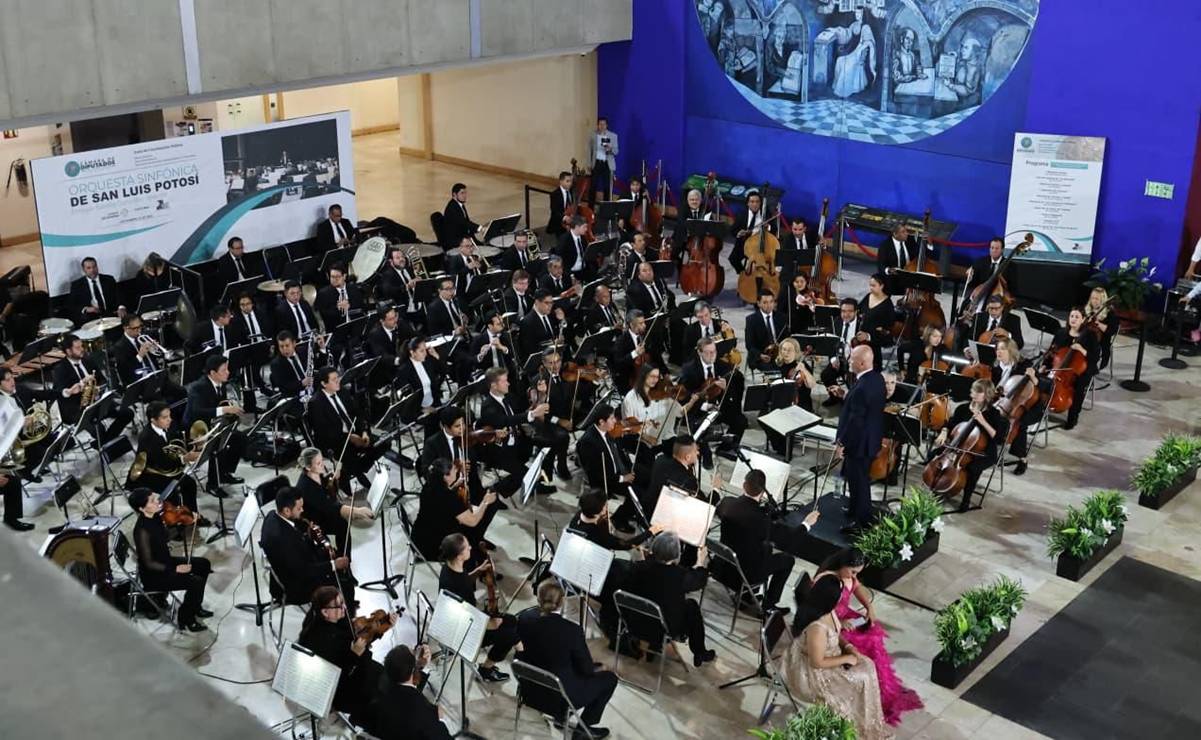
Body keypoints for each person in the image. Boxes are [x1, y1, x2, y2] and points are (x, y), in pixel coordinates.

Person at [803, 549, 923, 726]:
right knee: (868, 642)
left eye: (857, 573)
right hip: (832, 621)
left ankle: (882, 690)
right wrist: (839, 622)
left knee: (874, 633)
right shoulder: (826, 580)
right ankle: (869, 689)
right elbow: (818, 607)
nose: (854, 576)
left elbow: (856, 588)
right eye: (852, 572)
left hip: (846, 616)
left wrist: (869, 607)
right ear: (843, 565)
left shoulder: (848, 576)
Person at [784, 574, 889, 740]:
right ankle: (853, 728)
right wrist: (846, 659)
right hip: (813, 674)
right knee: (862, 677)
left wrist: (848, 646)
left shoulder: (827, 609)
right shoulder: (816, 628)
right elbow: (816, 662)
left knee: (868, 664)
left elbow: (835, 633)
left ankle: (868, 724)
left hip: (830, 658)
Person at [516, 581, 618, 738]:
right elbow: (586, 669)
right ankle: (582, 730)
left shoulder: (524, 618)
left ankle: (562, 717)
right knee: (610, 679)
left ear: (538, 599)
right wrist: (600, 667)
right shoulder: (572, 630)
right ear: (562, 602)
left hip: (529, 689)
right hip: (560, 697)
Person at [297, 586, 391, 725]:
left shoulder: (321, 618)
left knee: (383, 673)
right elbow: (339, 674)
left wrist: (380, 629)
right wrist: (354, 655)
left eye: (343, 602)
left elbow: (358, 636)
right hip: (339, 690)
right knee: (381, 688)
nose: (345, 607)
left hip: (350, 668)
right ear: (325, 612)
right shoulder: (326, 641)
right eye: (339, 605)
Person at [715, 469, 801, 612]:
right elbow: (787, 539)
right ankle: (769, 606)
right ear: (762, 492)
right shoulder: (760, 519)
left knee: (765, 547)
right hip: (743, 575)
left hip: (722, 567)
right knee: (787, 560)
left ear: (744, 485)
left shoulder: (727, 503)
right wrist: (806, 525)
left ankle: (747, 596)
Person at [624, 532, 715, 667]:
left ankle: (654, 646)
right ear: (676, 554)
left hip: (634, 622)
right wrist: (700, 563)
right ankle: (699, 651)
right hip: (663, 627)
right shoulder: (680, 576)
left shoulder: (637, 567)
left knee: (657, 599)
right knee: (691, 606)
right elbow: (699, 580)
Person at [437, 533, 520, 682]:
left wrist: (480, 570)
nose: (470, 547)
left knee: (511, 620)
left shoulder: (449, 568)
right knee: (509, 635)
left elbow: (464, 580)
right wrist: (489, 624)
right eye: (467, 547)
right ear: (460, 555)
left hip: (467, 616)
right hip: (463, 631)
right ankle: (486, 670)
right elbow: (464, 617)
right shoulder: (456, 585)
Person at [128, 488, 213, 632]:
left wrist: (184, 523)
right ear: (142, 508)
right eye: (152, 501)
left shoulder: (154, 517)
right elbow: (149, 563)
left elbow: (165, 536)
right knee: (195, 582)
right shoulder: (141, 531)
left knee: (204, 564)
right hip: (155, 575)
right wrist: (174, 569)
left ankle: (195, 606)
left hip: (165, 562)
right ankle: (186, 618)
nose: (158, 501)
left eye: (155, 497)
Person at [260, 487, 356, 607]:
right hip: (296, 586)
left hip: (294, 565)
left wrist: (308, 535)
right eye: (299, 508)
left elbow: (296, 545)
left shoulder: (272, 516)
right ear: (286, 511)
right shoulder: (282, 539)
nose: (302, 510)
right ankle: (347, 617)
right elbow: (304, 571)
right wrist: (333, 565)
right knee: (344, 580)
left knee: (331, 554)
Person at [930, 378, 1004, 511]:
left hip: (983, 452)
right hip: (958, 446)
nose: (974, 394)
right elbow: (950, 424)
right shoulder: (963, 408)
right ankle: (939, 487)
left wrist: (983, 422)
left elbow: (998, 438)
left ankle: (966, 499)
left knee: (972, 468)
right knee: (934, 455)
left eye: (979, 392)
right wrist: (944, 432)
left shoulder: (994, 414)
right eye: (974, 390)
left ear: (987, 394)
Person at [834, 345, 885, 533]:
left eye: (852, 358)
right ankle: (855, 508)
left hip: (859, 443)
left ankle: (861, 521)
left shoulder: (863, 386)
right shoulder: (876, 378)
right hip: (870, 439)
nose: (849, 361)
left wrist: (842, 443)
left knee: (859, 481)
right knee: (856, 478)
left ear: (862, 363)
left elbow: (856, 420)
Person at [52, 333, 134, 446]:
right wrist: (76, 387)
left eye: (82, 346)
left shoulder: (88, 360)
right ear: (68, 351)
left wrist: (98, 388)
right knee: (98, 430)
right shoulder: (60, 370)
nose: (82, 349)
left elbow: (102, 380)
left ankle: (100, 444)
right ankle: (103, 443)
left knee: (128, 413)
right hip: (77, 409)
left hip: (96, 402)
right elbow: (61, 393)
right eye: (78, 348)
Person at [131, 401, 206, 522]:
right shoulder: (147, 437)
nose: (169, 420)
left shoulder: (167, 426)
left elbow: (176, 442)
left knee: (189, 483)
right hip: (151, 473)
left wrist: (194, 443)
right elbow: (161, 462)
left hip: (167, 468)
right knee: (172, 493)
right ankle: (175, 523)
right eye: (164, 417)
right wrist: (185, 458)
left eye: (169, 416)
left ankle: (192, 516)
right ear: (153, 420)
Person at [307, 366, 379, 492]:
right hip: (335, 441)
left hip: (354, 433)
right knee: (350, 458)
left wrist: (363, 431)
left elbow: (357, 413)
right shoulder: (316, 403)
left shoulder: (342, 391)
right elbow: (324, 433)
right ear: (324, 384)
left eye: (338, 378)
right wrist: (350, 438)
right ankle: (358, 474)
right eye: (334, 380)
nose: (338, 381)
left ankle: (358, 469)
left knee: (383, 443)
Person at [413, 458, 499, 560]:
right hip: (434, 546)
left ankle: (477, 546)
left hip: (420, 537)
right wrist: (485, 501)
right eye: (454, 470)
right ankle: (476, 558)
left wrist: (453, 485)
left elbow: (442, 503)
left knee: (471, 529)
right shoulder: (448, 498)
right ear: (446, 476)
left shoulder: (429, 486)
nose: (457, 471)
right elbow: (473, 521)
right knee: (475, 528)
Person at [679, 337, 747, 465]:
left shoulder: (724, 366)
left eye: (714, 351)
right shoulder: (689, 369)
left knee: (741, 421)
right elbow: (685, 396)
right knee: (698, 426)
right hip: (699, 409)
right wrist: (705, 406)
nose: (712, 355)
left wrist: (725, 388)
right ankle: (706, 454)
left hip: (720, 407)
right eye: (708, 352)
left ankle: (724, 448)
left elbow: (734, 394)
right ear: (699, 352)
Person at [295, 447, 373, 557]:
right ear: (308, 467)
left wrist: (335, 478)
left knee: (342, 525)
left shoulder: (317, 474)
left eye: (322, 461)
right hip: (312, 522)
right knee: (341, 523)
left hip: (321, 512)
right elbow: (331, 506)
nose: (323, 465)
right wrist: (357, 511)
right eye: (318, 463)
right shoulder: (306, 486)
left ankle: (345, 558)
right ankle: (339, 562)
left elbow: (328, 492)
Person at [183, 354, 246, 489]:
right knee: (217, 445)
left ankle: (224, 473)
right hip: (196, 429)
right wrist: (224, 410)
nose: (228, 372)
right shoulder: (198, 387)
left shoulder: (220, 383)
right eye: (224, 370)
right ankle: (212, 484)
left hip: (212, 424)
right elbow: (197, 412)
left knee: (240, 438)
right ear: (212, 373)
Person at [576, 404, 641, 532]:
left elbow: (616, 453)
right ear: (601, 422)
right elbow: (597, 473)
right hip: (607, 480)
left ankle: (632, 510)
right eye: (611, 418)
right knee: (638, 493)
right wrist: (623, 478)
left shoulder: (606, 432)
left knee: (646, 477)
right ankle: (619, 518)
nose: (615, 421)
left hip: (619, 470)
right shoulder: (589, 442)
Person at [372, 644, 450, 739]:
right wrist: (441, 720)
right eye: (414, 653)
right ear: (413, 669)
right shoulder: (422, 711)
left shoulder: (383, 686)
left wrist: (422, 667)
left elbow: (408, 692)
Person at [1044, 307, 1099, 430]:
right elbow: (1052, 352)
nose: (1073, 319)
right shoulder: (1061, 333)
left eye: (1077, 317)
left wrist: (1082, 350)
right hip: (1059, 368)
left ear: (1083, 320)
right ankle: (1042, 407)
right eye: (1071, 316)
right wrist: (1044, 364)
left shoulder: (1089, 336)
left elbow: (1095, 357)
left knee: (1079, 387)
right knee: (1042, 380)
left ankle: (1073, 417)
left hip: (1082, 369)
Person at [376, 246, 424, 328]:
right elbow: (388, 291)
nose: (402, 259)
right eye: (397, 258)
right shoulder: (387, 274)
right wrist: (406, 287)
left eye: (402, 256)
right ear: (391, 261)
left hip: (419, 306)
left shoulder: (408, 269)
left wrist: (419, 281)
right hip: (404, 310)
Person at [859, 273, 897, 368]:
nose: (871, 288)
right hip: (862, 330)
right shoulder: (868, 296)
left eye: (873, 285)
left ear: (881, 286)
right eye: (870, 285)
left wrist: (878, 330)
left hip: (876, 336)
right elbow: (859, 308)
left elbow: (890, 323)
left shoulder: (887, 304)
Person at [731, 190, 773, 274]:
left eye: (757, 202)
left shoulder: (765, 214)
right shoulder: (741, 214)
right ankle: (743, 274)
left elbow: (774, 228)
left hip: (760, 244)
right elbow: (733, 230)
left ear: (760, 203)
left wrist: (768, 227)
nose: (755, 204)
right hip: (744, 242)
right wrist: (739, 233)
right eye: (752, 202)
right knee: (733, 259)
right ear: (748, 203)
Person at [67, 256, 121, 323]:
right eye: (88, 268)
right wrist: (86, 309)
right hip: (91, 318)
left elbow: (119, 296)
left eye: (94, 267)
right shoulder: (77, 285)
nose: (92, 270)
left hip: (110, 314)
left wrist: (121, 308)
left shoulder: (109, 280)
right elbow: (72, 305)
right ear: (84, 269)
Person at [315, 262, 365, 330]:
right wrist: (338, 308)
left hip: (356, 326)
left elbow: (361, 306)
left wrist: (349, 305)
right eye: (332, 277)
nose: (334, 279)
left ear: (344, 276)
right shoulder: (323, 294)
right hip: (338, 329)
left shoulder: (353, 288)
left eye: (337, 277)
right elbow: (325, 316)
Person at [745, 289, 786, 372]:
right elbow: (749, 344)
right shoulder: (751, 320)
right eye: (765, 302)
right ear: (758, 303)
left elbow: (786, 337)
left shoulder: (781, 317)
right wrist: (760, 355)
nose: (769, 305)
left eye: (771, 302)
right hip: (762, 356)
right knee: (774, 370)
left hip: (780, 354)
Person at [1085, 285, 1119, 371]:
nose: (1094, 301)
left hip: (1101, 342)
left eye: (1097, 299)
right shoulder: (1087, 309)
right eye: (1092, 298)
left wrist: (1098, 323)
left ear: (1103, 300)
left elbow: (1111, 331)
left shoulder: (1110, 314)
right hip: (1085, 338)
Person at [586, 117, 619, 202]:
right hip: (596, 163)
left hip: (607, 164)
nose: (602, 126)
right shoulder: (593, 135)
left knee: (607, 187)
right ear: (597, 125)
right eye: (600, 124)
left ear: (607, 125)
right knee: (593, 186)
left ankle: (606, 208)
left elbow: (616, 151)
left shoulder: (613, 136)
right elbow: (589, 150)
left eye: (604, 124)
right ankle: (591, 208)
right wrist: (589, 164)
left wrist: (610, 149)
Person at [441, 183, 480, 249]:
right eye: (462, 193)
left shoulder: (460, 205)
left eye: (465, 193)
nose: (465, 195)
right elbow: (463, 223)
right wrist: (479, 228)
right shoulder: (452, 207)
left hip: (463, 236)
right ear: (454, 194)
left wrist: (477, 230)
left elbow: (466, 221)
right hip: (456, 241)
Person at [548, 171, 575, 236]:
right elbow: (554, 211)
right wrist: (565, 217)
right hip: (559, 221)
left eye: (571, 181)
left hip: (570, 219)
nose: (570, 184)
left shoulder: (571, 191)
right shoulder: (555, 194)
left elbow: (572, 205)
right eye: (567, 181)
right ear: (561, 181)